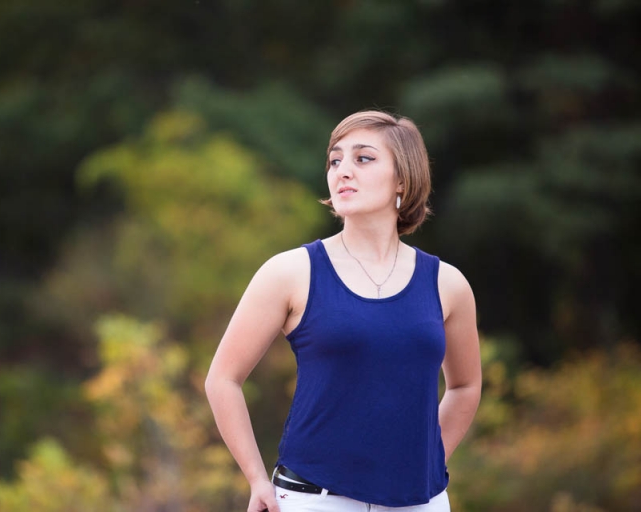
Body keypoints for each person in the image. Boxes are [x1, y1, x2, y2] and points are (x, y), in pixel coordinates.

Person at [205, 110, 482, 512]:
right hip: (310, 500)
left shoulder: (448, 284)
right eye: (335, 160)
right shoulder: (290, 272)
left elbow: (465, 387)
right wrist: (256, 479)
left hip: (420, 502)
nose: (343, 171)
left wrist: (425, 462)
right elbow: (223, 379)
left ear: (403, 179)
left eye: (363, 158)